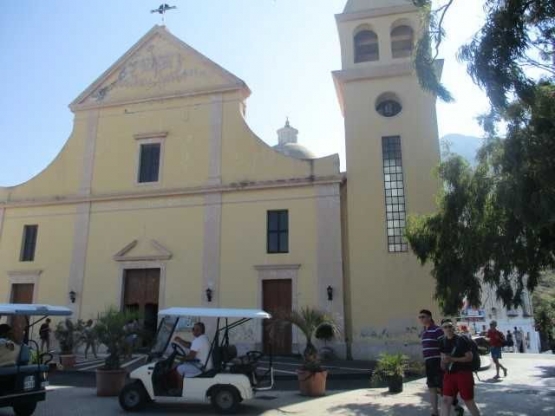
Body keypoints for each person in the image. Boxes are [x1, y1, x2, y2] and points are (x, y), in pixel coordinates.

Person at [418, 309, 464, 416]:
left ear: (429, 317)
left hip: (438, 362)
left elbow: (444, 345)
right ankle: (435, 412)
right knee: (431, 387)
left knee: (443, 388)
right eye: (420, 317)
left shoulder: (437, 330)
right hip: (429, 363)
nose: (421, 319)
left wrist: (444, 362)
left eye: (423, 316)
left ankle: (456, 408)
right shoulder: (424, 331)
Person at [439, 319, 481, 416]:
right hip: (449, 374)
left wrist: (453, 359)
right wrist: (443, 363)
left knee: (468, 401)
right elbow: (443, 358)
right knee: (445, 400)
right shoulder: (442, 341)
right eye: (445, 327)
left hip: (464, 373)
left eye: (450, 326)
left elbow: (469, 357)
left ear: (453, 327)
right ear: (442, 329)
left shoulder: (461, 339)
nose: (448, 329)